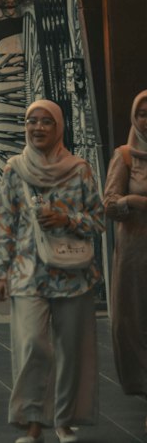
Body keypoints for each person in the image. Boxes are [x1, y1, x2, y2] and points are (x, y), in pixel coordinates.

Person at [0, 98, 104, 443]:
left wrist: (67, 219)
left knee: (71, 350)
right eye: (31, 121)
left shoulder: (79, 168)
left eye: (46, 122)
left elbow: (98, 219)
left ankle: (64, 421)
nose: (37, 127)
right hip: (27, 272)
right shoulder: (14, 169)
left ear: (59, 127)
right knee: (32, 346)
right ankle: (33, 421)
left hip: (73, 273)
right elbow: (5, 222)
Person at [104, 90, 147, 425]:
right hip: (135, 251)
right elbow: (108, 204)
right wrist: (132, 200)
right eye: (142, 113)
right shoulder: (125, 156)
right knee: (134, 320)